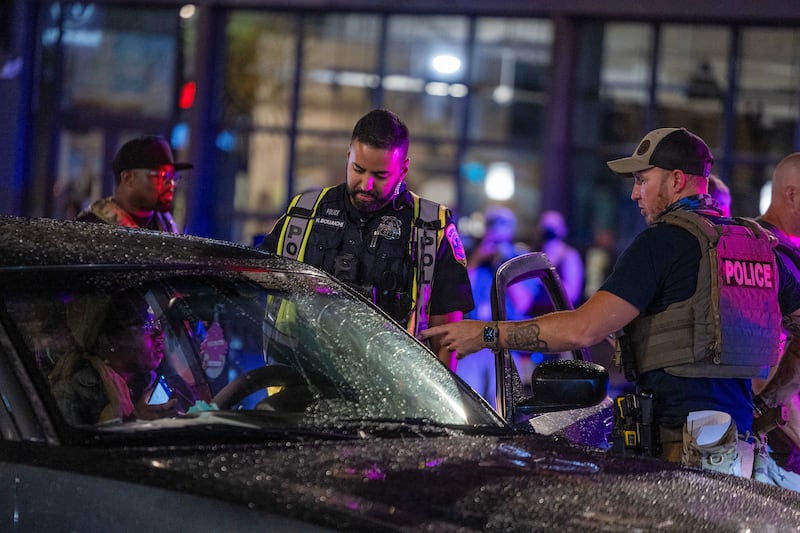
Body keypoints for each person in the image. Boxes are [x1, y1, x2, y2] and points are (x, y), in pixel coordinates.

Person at [423, 127, 800, 473]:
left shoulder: (662, 242)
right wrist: (766, 403)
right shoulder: (753, 246)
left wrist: (486, 335)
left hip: (679, 450)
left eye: (642, 180)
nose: (635, 193)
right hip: (738, 447)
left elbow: (580, 330)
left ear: (677, 180)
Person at [260, 109, 474, 369]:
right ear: (348, 155)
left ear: (403, 169)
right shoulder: (304, 213)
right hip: (299, 383)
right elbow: (254, 287)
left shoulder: (432, 227)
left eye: (380, 175)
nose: (366, 184)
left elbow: (447, 336)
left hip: (398, 391)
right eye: (358, 169)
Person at [50, 290, 179, 425]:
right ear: (111, 340)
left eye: (156, 323)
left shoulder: (147, 380)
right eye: (147, 325)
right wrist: (134, 421)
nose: (160, 334)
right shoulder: (71, 395)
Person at [457, 206, 535, 405]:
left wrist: (504, 265)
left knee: (500, 402)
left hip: (505, 342)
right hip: (473, 341)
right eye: (491, 226)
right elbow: (460, 296)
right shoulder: (472, 257)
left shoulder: (519, 259)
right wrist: (476, 259)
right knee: (468, 399)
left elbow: (523, 302)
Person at [753, 153, 800, 473]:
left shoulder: (787, 251)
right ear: (792, 194)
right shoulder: (760, 250)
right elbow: (760, 374)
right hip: (775, 440)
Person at [76, 135, 192, 232]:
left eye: (172, 177)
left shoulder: (167, 225)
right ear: (128, 178)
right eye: (161, 175)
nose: (170, 184)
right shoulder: (91, 227)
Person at [534, 210, 584, 306]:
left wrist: (543, 282)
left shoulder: (569, 255)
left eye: (551, 228)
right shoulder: (534, 254)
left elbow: (573, 294)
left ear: (563, 229)